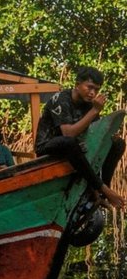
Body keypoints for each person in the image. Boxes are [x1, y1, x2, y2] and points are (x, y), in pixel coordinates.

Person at [34, 65, 125, 210]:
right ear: (77, 84)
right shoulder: (61, 99)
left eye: (96, 90)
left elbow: (96, 134)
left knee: (117, 143)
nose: (92, 93)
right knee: (69, 141)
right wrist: (95, 110)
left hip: (75, 148)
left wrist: (109, 138)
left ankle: (101, 192)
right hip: (49, 148)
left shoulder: (89, 105)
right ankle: (103, 189)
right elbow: (68, 134)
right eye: (89, 87)